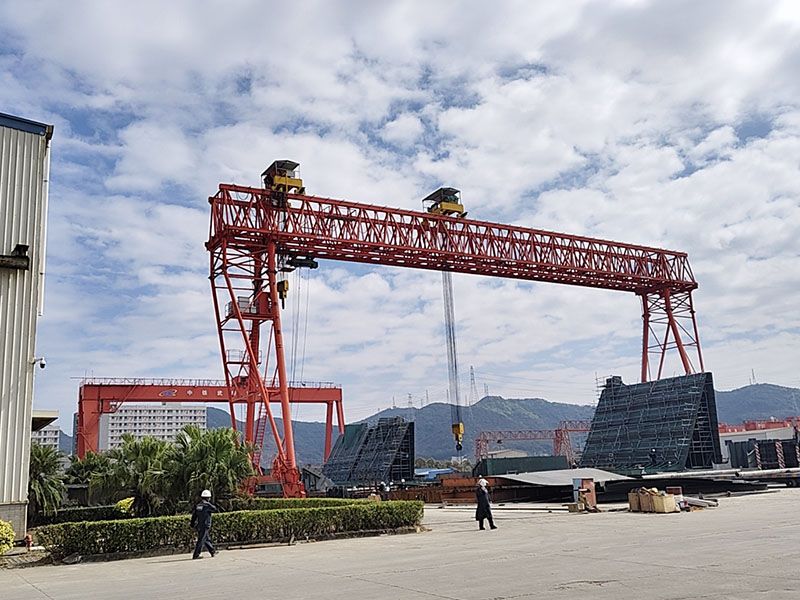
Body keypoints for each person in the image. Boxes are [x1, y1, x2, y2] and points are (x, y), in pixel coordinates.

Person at [190, 489, 218, 559]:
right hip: (205, 525)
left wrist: (192, 523)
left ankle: (212, 551)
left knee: (206, 539)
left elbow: (194, 515)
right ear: (208, 498)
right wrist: (209, 504)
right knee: (201, 540)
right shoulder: (207, 505)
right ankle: (196, 554)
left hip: (199, 525)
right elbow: (214, 509)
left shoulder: (198, 505)